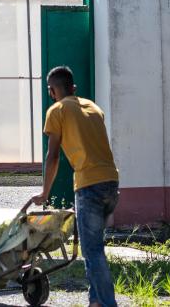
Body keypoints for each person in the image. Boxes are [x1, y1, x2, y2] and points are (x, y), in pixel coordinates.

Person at [32, 66, 120, 307]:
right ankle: (96, 301)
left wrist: (45, 193)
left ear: (52, 90)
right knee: (95, 246)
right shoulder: (94, 108)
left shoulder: (56, 110)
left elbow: (53, 157)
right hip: (112, 182)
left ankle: (106, 303)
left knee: (93, 252)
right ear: (74, 88)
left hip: (89, 185)